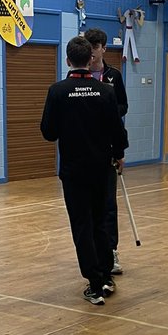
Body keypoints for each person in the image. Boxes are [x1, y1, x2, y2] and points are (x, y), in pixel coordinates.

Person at [41, 36, 128, 305]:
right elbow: (118, 131)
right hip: (101, 169)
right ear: (90, 59)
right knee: (101, 221)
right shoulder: (106, 92)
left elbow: (48, 132)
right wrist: (119, 154)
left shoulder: (58, 91)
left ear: (68, 60)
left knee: (82, 225)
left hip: (74, 171)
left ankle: (94, 281)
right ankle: (105, 275)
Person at [85, 27, 129, 273]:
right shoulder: (78, 75)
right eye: (89, 47)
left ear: (103, 48)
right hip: (85, 147)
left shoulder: (114, 76)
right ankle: (92, 253)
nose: (92, 52)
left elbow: (123, 105)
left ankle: (111, 252)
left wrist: (108, 113)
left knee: (108, 204)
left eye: (96, 47)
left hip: (108, 146)